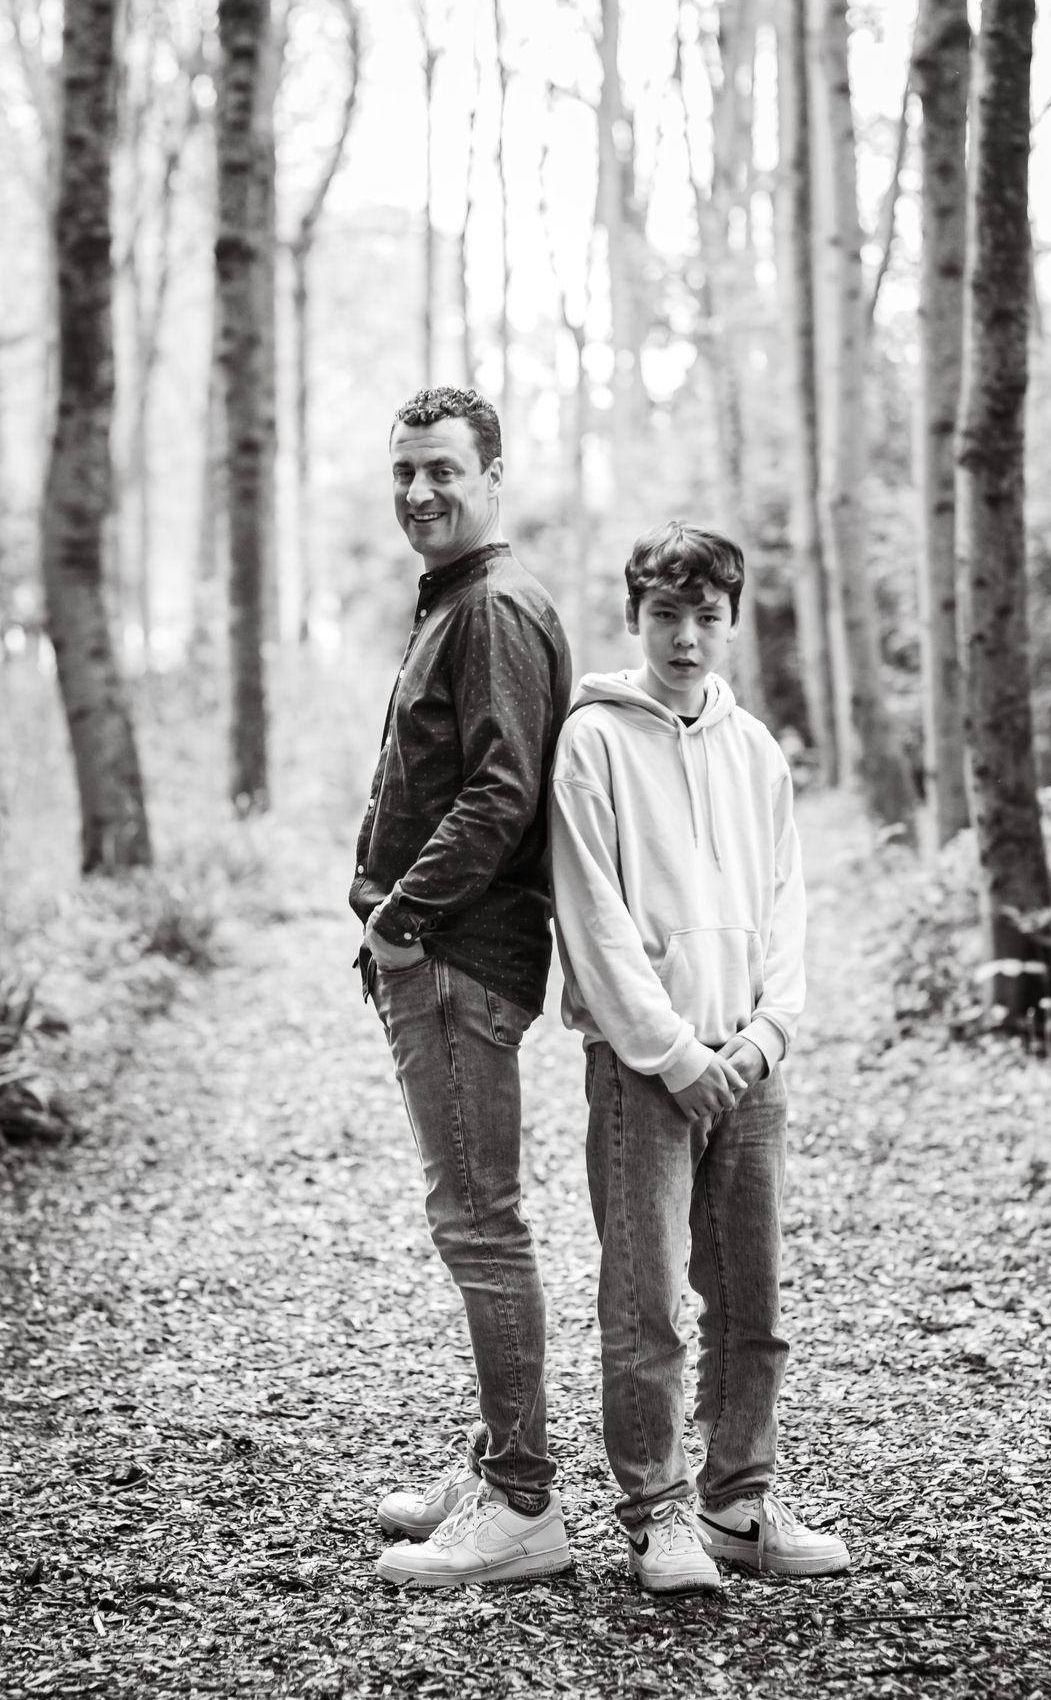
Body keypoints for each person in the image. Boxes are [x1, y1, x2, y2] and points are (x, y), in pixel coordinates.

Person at [548, 522, 851, 1594]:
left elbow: (785, 905)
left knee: (752, 1304)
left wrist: (767, 1034)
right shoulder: (592, 743)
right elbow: (593, 921)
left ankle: (737, 1503)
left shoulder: (755, 748)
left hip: (751, 1068)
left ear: (728, 621)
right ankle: (658, 1515)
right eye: (665, 616)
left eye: (705, 617)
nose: (685, 639)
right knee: (645, 1307)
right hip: (645, 1074)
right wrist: (675, 1056)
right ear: (635, 616)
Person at [351, 386, 573, 1589]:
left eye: (441, 469)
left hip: (457, 964)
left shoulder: (490, 608)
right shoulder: (456, 601)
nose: (420, 492)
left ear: (494, 475)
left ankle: (524, 1506)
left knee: (480, 1226)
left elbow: (499, 795)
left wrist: (398, 920)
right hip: (440, 962)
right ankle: (496, 1462)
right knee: (473, 1220)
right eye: (404, 473)